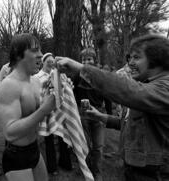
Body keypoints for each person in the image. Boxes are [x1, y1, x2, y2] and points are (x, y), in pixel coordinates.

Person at [57, 34, 169, 181]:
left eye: (137, 57)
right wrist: (101, 117)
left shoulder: (165, 88)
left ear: (156, 59)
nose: (130, 63)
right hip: (138, 171)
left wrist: (82, 68)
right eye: (130, 58)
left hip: (155, 174)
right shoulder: (150, 85)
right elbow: (134, 124)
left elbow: (127, 90)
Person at [0, 33, 56, 181]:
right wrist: (44, 110)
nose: (41, 55)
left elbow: (41, 113)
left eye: (40, 50)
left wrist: (59, 92)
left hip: (34, 149)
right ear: (17, 54)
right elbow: (10, 132)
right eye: (34, 50)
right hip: (17, 156)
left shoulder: (35, 82)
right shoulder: (8, 86)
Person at [34, 53, 72, 175]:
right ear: (43, 62)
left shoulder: (59, 74)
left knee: (62, 136)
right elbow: (37, 94)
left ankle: (65, 162)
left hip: (59, 110)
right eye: (48, 61)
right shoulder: (37, 77)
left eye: (52, 61)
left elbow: (67, 88)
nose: (51, 63)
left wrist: (67, 85)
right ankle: (52, 167)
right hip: (47, 111)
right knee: (49, 139)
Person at [73, 48, 106, 181]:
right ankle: (86, 170)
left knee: (98, 146)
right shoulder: (77, 75)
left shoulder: (101, 75)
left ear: (94, 60)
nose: (86, 62)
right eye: (83, 59)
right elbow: (72, 92)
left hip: (99, 112)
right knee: (84, 144)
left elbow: (107, 95)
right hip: (83, 113)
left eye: (89, 59)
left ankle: (97, 172)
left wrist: (108, 115)